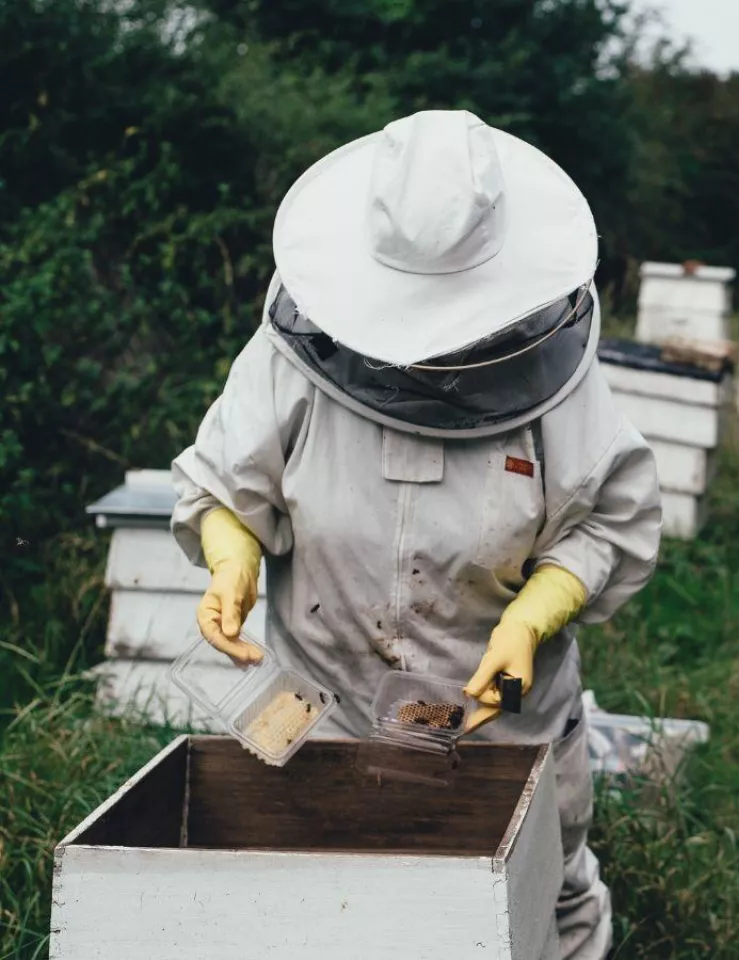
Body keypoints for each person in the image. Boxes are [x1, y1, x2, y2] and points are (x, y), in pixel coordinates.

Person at [170, 109, 663, 959]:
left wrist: (530, 619)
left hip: (497, 721)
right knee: (332, 910)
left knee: (542, 899)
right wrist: (231, 556)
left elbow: (605, 525)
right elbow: (229, 482)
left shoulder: (561, 386)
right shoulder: (292, 355)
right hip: (320, 708)